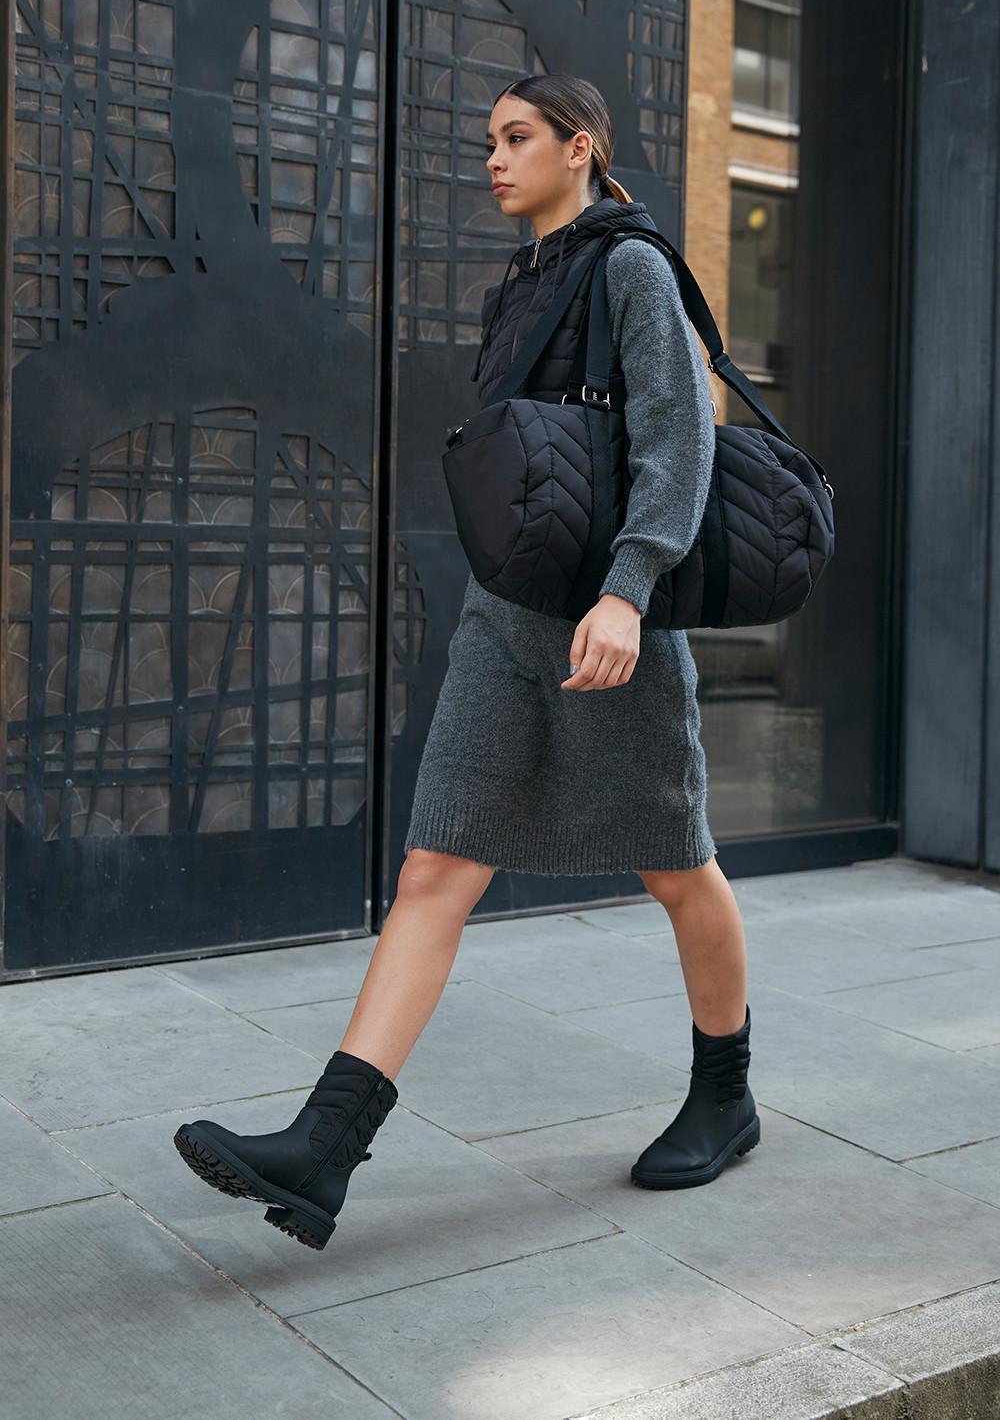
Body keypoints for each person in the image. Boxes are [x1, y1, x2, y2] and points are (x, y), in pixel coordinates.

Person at [173, 73, 759, 1252]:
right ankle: (325, 1149)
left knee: (676, 865)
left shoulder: (629, 267)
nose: (492, 158)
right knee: (436, 867)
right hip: (505, 619)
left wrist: (629, 592)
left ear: (578, 148)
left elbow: (680, 441)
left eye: (516, 138)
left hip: (606, 622)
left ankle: (725, 1091)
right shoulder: (524, 280)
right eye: (487, 140)